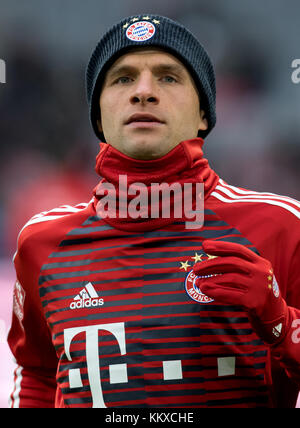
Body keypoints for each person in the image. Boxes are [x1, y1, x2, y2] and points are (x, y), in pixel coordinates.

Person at [7, 14, 300, 408]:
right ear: (98, 116)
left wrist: (280, 322)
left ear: (204, 115)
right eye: (123, 78)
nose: (143, 92)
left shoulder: (282, 226)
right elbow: (37, 376)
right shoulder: (41, 243)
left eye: (169, 77)